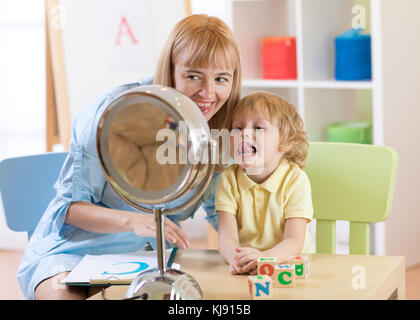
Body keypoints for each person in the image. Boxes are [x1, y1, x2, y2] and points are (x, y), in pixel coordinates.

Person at [17, 14, 242, 300]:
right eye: (193, 76)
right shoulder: (112, 114)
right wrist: (134, 221)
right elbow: (69, 209)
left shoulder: (218, 131)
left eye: (221, 79)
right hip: (72, 254)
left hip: (149, 260)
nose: (208, 92)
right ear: (171, 70)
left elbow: (220, 212)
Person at [215, 91, 313, 275]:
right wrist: (236, 260)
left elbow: (294, 240)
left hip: (290, 267)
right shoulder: (228, 179)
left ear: (286, 141)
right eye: (237, 128)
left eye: (258, 128)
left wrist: (265, 258)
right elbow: (226, 238)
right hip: (248, 268)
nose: (244, 133)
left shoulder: (295, 179)